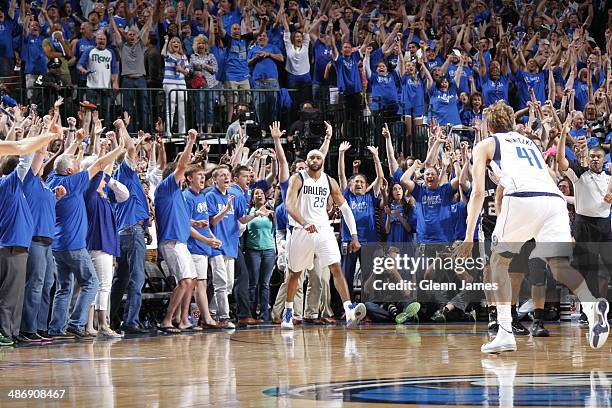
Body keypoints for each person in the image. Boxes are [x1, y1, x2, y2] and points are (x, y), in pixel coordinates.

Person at [454, 101, 609, 354]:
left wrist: (469, 235)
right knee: (559, 267)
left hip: (524, 198)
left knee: (498, 263)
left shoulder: (485, 144)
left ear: (489, 125)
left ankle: (504, 332)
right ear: (512, 124)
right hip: (553, 199)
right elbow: (547, 176)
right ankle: (592, 309)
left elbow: (479, 192)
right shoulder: (530, 144)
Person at [281, 148, 366, 329]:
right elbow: (289, 205)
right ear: (307, 160)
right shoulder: (298, 178)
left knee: (336, 267)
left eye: (318, 157)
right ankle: (288, 310)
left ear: (323, 160)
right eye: (311, 157)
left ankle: (348, 308)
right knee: (295, 273)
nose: (314, 159)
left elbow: (345, 208)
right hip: (301, 230)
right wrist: (304, 223)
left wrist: (354, 235)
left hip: (323, 230)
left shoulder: (329, 181)